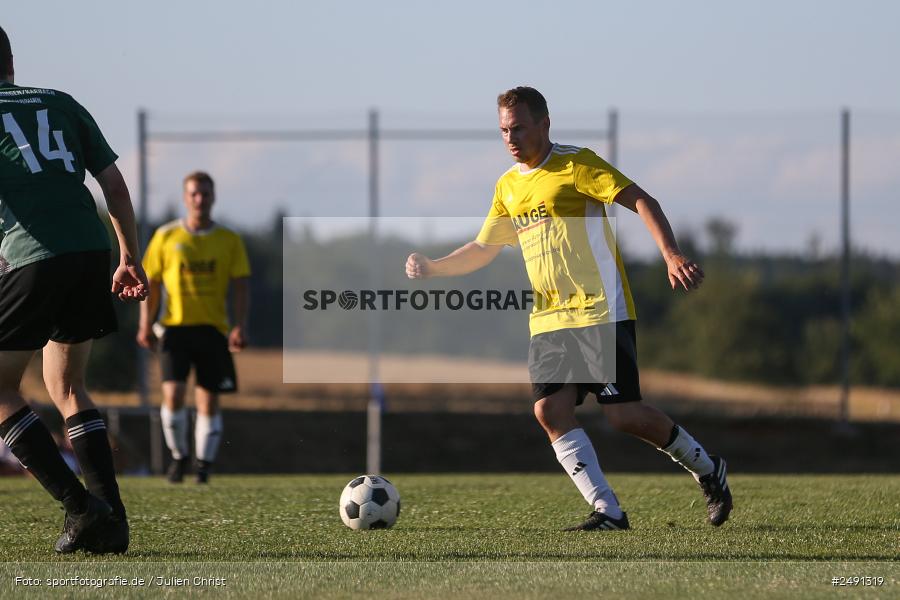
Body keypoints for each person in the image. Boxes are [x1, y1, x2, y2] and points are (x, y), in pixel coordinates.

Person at [405, 87, 732, 531]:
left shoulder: (576, 164)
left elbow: (642, 200)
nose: (510, 137)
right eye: (503, 129)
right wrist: (435, 268)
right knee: (549, 412)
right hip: (549, 319)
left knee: (624, 416)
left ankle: (708, 469)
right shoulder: (507, 186)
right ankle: (608, 510)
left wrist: (671, 255)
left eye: (518, 126)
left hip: (601, 310)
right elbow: (485, 247)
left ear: (544, 123)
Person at [0, 26, 148, 553]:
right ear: (12, 61)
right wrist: (129, 256)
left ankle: (81, 508)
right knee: (66, 385)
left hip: (34, 256)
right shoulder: (61, 102)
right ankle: (113, 520)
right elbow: (114, 187)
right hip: (91, 252)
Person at [137, 171, 250, 484]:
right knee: (172, 394)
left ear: (213, 197)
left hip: (213, 330)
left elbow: (241, 285)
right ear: (186, 197)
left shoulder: (229, 240)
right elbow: (152, 283)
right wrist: (145, 322)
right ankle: (178, 456)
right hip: (174, 329)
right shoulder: (166, 236)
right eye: (194, 194)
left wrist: (239, 326)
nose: (200, 199)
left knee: (209, 401)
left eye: (205, 193)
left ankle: (203, 465)